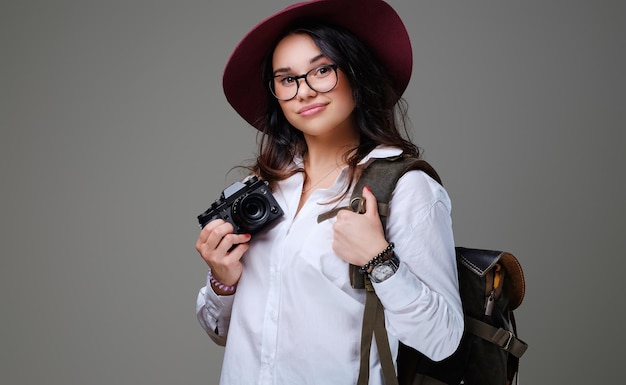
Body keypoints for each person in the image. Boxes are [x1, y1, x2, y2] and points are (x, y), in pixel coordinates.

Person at [195, 0, 464, 384]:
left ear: (356, 75)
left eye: (322, 70)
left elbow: (443, 339)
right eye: (287, 79)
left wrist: (378, 259)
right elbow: (220, 332)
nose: (304, 91)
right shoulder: (264, 187)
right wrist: (222, 279)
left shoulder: (406, 188)